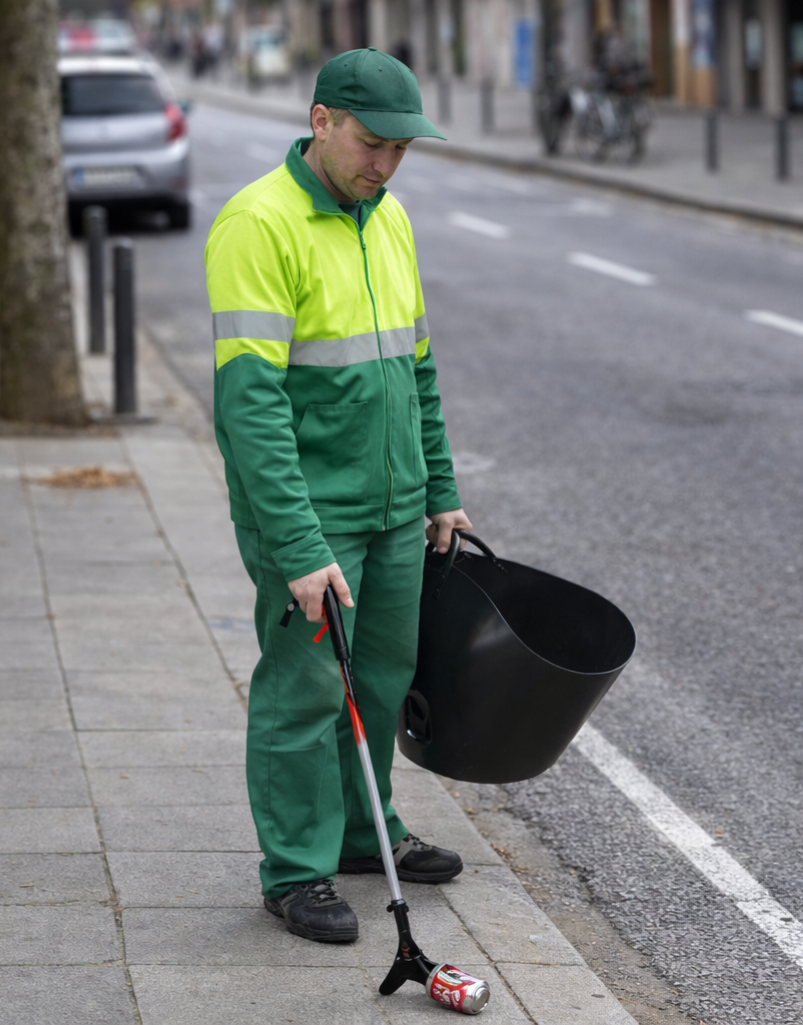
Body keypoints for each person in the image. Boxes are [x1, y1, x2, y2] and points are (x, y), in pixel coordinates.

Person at [205, 47, 472, 944]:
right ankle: (294, 871)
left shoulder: (385, 218)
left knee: (385, 678)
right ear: (321, 121)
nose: (386, 165)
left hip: (397, 507)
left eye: (401, 148)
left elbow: (416, 367)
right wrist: (297, 544)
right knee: (307, 687)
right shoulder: (259, 224)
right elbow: (251, 408)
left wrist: (440, 486)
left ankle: (365, 835)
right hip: (310, 514)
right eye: (371, 143)